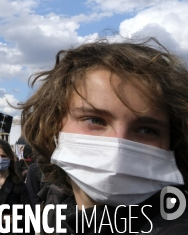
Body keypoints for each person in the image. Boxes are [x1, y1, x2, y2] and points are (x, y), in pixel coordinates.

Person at [21, 38, 188, 234]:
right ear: (53, 126)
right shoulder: (54, 220)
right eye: (95, 120)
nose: (119, 144)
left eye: (146, 130)